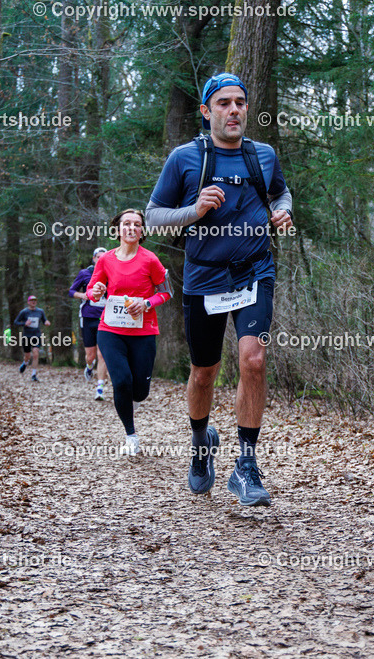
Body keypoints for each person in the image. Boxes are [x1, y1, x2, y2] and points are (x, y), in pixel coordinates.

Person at [145, 72, 293, 506]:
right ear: (207, 111)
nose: (234, 110)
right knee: (204, 372)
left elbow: (281, 195)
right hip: (204, 279)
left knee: (254, 359)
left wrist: (281, 214)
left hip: (253, 272)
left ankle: (246, 466)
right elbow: (153, 217)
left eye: (240, 103)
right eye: (224, 103)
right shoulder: (185, 159)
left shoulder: (263, 156)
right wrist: (194, 210)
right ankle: (200, 441)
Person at [88, 209, 172, 455]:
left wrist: (146, 303)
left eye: (136, 224)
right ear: (118, 229)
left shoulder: (150, 259)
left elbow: (167, 292)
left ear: (142, 231)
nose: (131, 228)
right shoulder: (106, 260)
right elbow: (94, 289)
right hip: (110, 330)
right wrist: (96, 291)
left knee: (140, 392)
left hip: (143, 331)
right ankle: (131, 436)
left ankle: (133, 400)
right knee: (122, 381)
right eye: (126, 224)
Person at [70, 247, 110, 399]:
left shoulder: (111, 274)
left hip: (105, 319)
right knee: (90, 355)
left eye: (103, 257)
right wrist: (85, 295)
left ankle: (99, 388)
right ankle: (88, 366)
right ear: (94, 259)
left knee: (102, 354)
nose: (101, 259)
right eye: (98, 257)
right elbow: (71, 291)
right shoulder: (85, 273)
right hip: (88, 318)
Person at [14, 295, 50, 382]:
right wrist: (24, 324)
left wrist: (46, 322)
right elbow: (16, 322)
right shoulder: (24, 312)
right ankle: (25, 363)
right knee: (27, 355)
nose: (33, 302)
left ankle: (33, 374)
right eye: (32, 301)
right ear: (28, 302)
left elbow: (44, 320)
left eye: (35, 301)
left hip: (36, 335)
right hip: (26, 336)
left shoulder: (40, 311)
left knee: (36, 354)